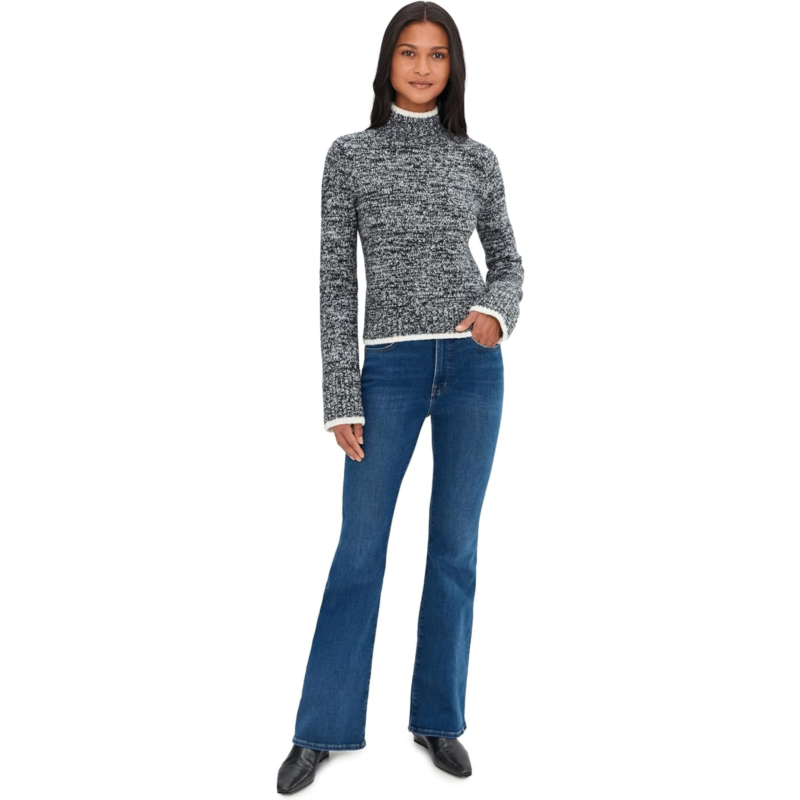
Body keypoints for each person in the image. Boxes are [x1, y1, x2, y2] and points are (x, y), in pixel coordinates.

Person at [277, 2, 524, 794]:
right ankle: (321, 728)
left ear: (454, 68)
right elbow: (333, 279)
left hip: (472, 369)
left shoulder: (477, 159)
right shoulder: (350, 155)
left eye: (437, 55)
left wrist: (495, 314)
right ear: (387, 63)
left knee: (455, 547)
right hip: (386, 372)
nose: (422, 67)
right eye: (409, 53)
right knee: (361, 547)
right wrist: (339, 394)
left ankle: (438, 719)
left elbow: (509, 260)